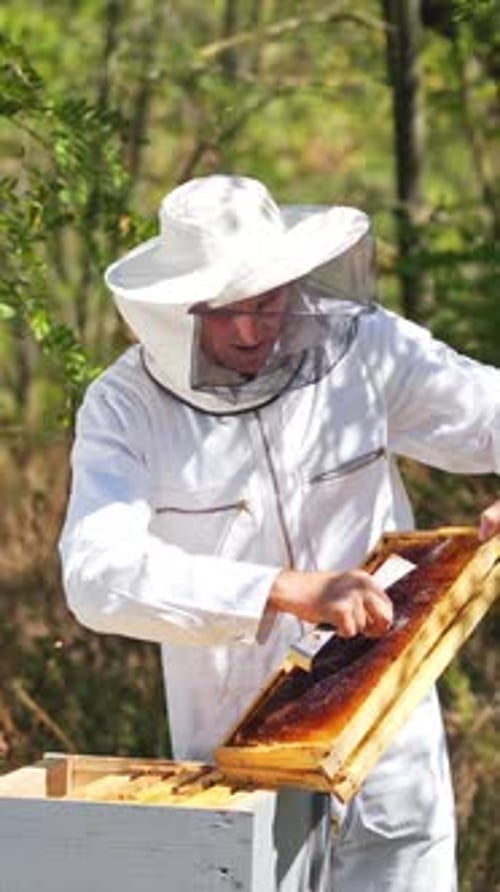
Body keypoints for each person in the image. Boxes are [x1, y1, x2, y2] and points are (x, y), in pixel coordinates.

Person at [59, 174, 500, 891]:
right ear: (175, 310)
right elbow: (97, 573)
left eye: (266, 303)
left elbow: (488, 412)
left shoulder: (364, 350)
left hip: (391, 745)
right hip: (239, 758)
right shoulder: (123, 409)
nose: (250, 330)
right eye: (221, 312)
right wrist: (281, 590)